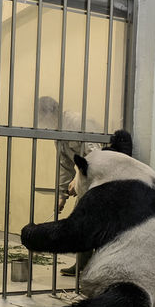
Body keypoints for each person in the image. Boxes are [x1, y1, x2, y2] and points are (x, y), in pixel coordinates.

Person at [38, 96, 101, 276]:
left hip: (101, 177)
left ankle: (89, 266)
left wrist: (78, 178)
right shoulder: (58, 133)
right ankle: (82, 265)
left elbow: (96, 155)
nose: (44, 124)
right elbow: (64, 166)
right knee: (82, 221)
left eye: (43, 118)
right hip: (86, 180)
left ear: (51, 112)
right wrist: (61, 195)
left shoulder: (77, 122)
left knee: (86, 220)